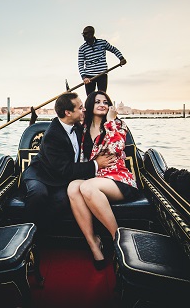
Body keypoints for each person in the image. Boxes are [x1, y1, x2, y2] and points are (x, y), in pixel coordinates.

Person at [21, 92, 117, 234]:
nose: (84, 109)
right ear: (68, 113)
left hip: (61, 178)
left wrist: (110, 119)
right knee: (38, 194)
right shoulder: (52, 135)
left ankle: (46, 232)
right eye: (80, 107)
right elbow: (65, 169)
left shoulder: (78, 126)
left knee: (64, 199)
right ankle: (27, 235)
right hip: (40, 174)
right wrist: (96, 164)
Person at [67, 91, 139, 269]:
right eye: (97, 101)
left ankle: (119, 241)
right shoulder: (83, 127)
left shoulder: (118, 124)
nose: (102, 104)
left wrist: (110, 122)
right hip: (95, 178)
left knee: (87, 187)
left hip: (119, 179)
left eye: (106, 102)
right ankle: (94, 244)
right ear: (90, 104)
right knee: (72, 188)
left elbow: (116, 148)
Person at [78, 25, 127, 95]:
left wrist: (121, 58)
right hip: (89, 76)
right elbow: (80, 64)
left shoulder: (102, 43)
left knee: (102, 95)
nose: (84, 36)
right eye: (83, 34)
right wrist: (84, 77)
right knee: (90, 98)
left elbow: (114, 50)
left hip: (102, 73)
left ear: (91, 34)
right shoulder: (82, 48)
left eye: (86, 34)